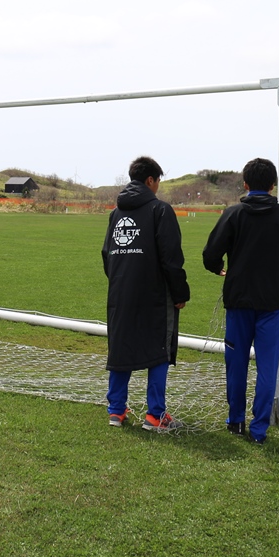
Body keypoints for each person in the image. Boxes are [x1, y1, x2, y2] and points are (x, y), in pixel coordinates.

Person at [202, 157, 279, 444]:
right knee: (268, 366)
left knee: (236, 363)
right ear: (273, 185)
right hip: (272, 303)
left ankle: (235, 420)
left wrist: (219, 267)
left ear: (245, 184)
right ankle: (259, 429)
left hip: (240, 301)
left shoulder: (234, 214)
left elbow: (210, 254)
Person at [102, 156, 190, 432]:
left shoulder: (116, 214)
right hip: (154, 295)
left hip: (120, 292)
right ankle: (155, 415)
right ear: (150, 180)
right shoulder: (160, 210)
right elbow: (171, 258)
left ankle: (116, 410)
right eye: (159, 181)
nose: (159, 187)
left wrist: (122, 280)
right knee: (159, 350)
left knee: (121, 345)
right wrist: (180, 292)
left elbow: (107, 255)